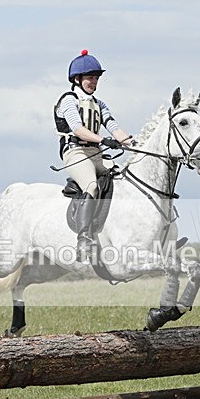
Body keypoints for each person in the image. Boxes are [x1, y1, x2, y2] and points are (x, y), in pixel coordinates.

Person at [53, 49, 133, 263]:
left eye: (96, 78)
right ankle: (83, 239)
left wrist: (133, 143)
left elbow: (114, 127)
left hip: (96, 153)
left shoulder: (99, 104)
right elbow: (78, 129)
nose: (94, 81)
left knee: (124, 178)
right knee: (91, 185)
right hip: (76, 152)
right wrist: (103, 140)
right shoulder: (68, 101)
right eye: (90, 77)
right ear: (77, 79)